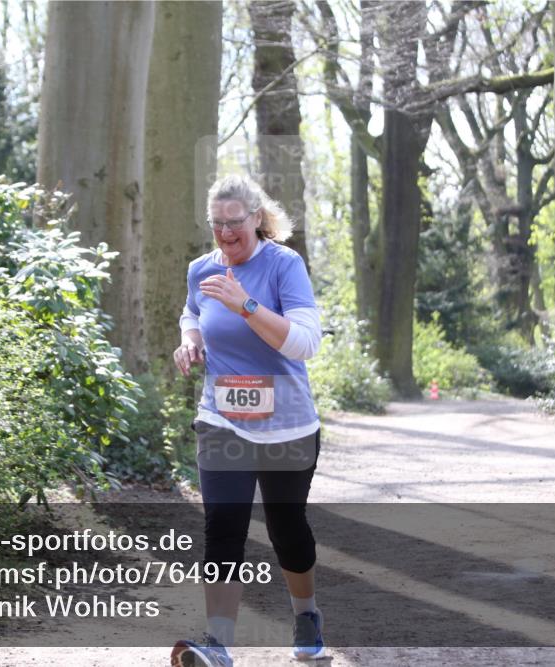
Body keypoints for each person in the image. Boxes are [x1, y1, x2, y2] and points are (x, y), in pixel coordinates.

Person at [170, 175, 324, 667]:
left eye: (234, 222)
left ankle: (306, 616)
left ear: (257, 218)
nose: (225, 233)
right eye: (216, 223)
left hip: (287, 426)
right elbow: (191, 313)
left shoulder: (284, 265)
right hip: (222, 419)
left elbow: (305, 344)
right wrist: (191, 341)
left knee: (287, 529)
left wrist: (247, 306)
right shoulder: (202, 269)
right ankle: (217, 644)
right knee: (223, 525)